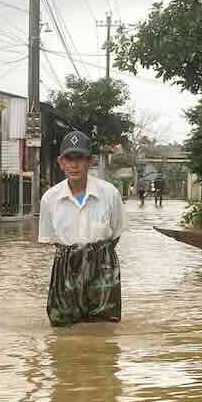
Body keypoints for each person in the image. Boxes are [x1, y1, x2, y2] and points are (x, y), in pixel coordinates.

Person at [38, 130, 125, 327]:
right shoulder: (50, 199)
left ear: (90, 161)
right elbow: (52, 239)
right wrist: (75, 257)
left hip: (103, 266)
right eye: (69, 158)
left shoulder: (110, 194)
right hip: (65, 266)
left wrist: (96, 257)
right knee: (63, 326)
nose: (74, 165)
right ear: (61, 162)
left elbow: (116, 234)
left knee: (105, 326)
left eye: (80, 158)